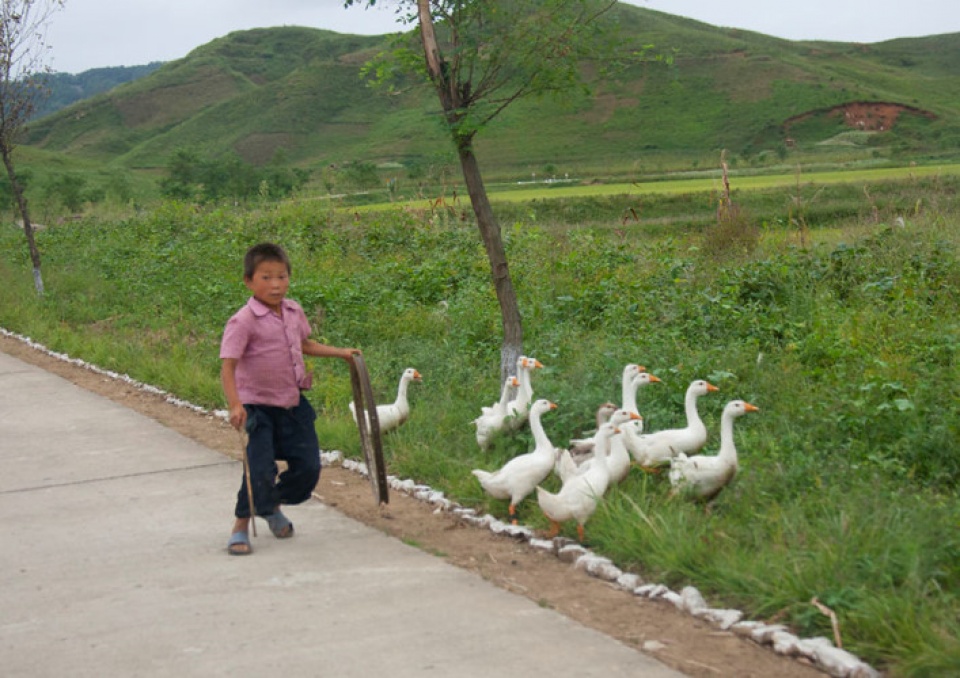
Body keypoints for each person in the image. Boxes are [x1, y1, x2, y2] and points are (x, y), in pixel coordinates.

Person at [220, 242, 358, 555]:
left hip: (292, 404)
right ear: (249, 281)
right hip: (257, 408)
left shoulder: (294, 311)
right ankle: (240, 527)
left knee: (308, 469)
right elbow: (227, 366)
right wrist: (235, 405)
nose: (276, 284)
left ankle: (270, 505)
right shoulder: (243, 321)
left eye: (281, 277)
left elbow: (305, 344)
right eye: (266, 277)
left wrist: (340, 353)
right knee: (259, 470)